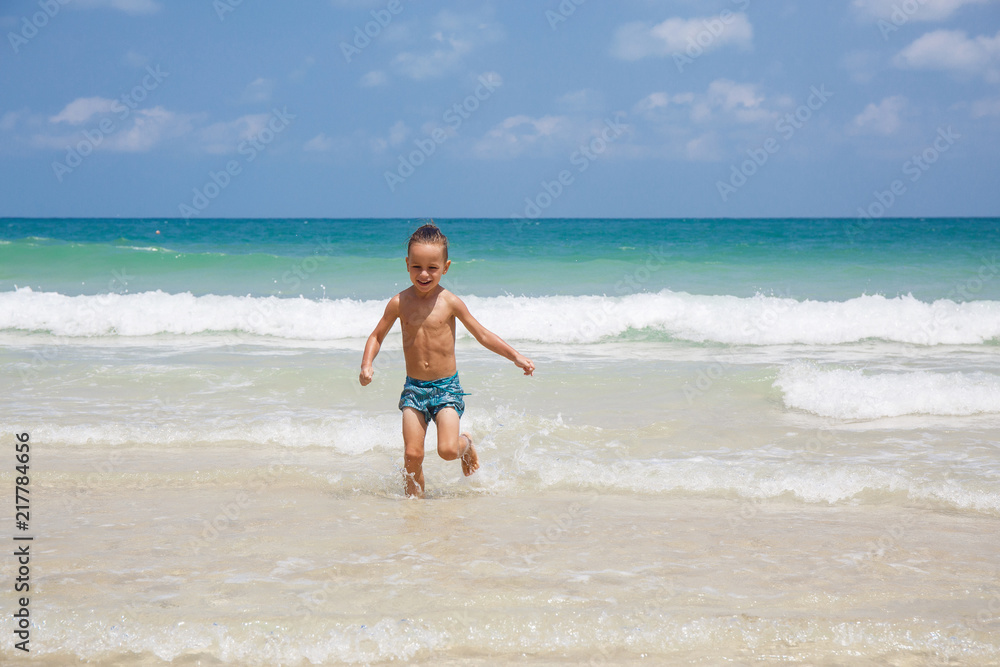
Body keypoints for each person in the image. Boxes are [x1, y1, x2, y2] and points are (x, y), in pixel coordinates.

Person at [359, 223, 534, 498]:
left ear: (446, 266)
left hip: (447, 390)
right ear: (407, 264)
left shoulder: (450, 302)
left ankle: (467, 446)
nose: (424, 274)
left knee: (447, 450)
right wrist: (367, 364)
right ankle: (414, 508)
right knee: (412, 455)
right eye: (417, 266)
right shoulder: (399, 303)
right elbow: (377, 335)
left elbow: (482, 334)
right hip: (414, 390)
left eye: (433, 267)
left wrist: (515, 356)